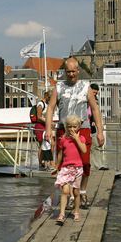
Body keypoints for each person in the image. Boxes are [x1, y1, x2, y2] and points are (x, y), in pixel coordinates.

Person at [44, 57, 104, 209]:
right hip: (64, 131)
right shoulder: (59, 87)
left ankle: (82, 192)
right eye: (68, 71)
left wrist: (100, 132)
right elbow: (50, 108)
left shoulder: (86, 86)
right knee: (65, 165)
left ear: (78, 71)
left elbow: (95, 109)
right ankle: (71, 196)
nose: (70, 74)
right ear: (65, 71)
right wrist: (48, 129)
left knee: (84, 163)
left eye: (73, 71)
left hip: (82, 129)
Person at [52, 114, 87, 224]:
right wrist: (56, 166)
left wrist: (77, 139)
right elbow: (60, 154)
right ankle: (61, 214)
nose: (72, 129)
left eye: (74, 127)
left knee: (76, 192)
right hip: (66, 168)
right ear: (66, 127)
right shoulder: (63, 140)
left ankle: (76, 211)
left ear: (79, 127)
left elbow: (84, 150)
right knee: (65, 191)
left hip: (77, 169)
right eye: (70, 126)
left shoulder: (81, 138)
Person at [88, 82, 108, 176]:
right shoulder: (85, 100)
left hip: (92, 128)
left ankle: (98, 165)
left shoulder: (95, 101)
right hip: (85, 126)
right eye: (93, 92)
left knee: (96, 146)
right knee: (88, 148)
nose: (95, 95)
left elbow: (97, 113)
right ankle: (90, 166)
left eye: (96, 93)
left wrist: (99, 125)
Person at [32, 90, 51, 169]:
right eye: (50, 98)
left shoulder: (47, 104)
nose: (51, 99)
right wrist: (48, 121)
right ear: (46, 96)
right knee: (41, 145)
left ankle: (48, 162)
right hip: (40, 126)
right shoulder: (41, 104)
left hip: (46, 126)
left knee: (49, 144)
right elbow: (39, 116)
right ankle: (41, 163)